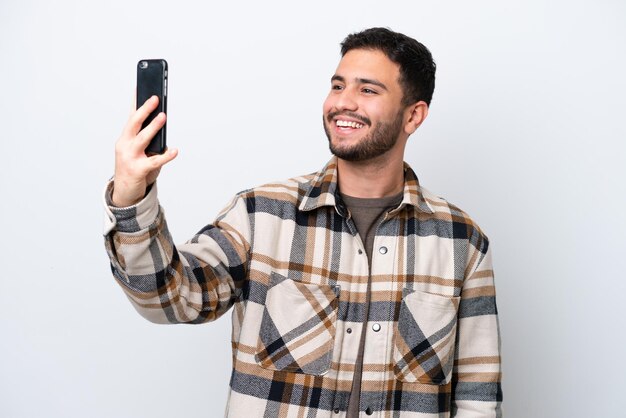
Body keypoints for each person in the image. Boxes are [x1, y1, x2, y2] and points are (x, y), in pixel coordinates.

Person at [103, 27, 502, 417]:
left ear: (413, 116)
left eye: (367, 90)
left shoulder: (462, 242)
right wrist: (131, 197)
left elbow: (478, 397)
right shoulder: (261, 215)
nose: (343, 102)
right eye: (337, 85)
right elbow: (170, 300)